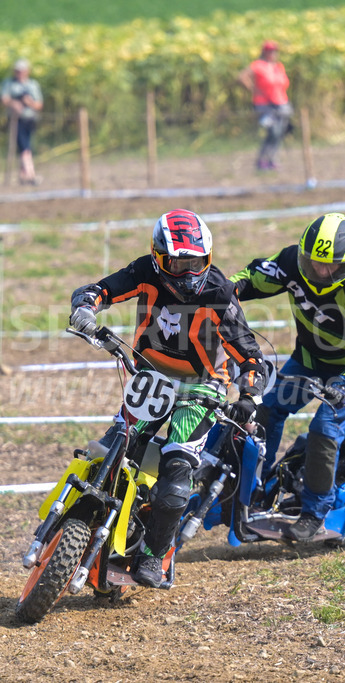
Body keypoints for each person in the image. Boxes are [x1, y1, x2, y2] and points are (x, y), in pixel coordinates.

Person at [69, 209, 266, 586]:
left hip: (202, 386)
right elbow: (100, 290)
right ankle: (78, 520)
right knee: (112, 448)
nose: (189, 272)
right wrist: (85, 307)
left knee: (176, 476)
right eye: (178, 262)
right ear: (159, 258)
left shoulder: (220, 293)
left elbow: (250, 355)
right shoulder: (144, 271)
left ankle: (154, 557)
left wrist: (249, 395)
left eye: (197, 262)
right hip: (151, 375)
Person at [230, 213, 345, 542]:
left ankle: (315, 512)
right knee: (268, 408)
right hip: (307, 358)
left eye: (332, 265)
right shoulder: (291, 263)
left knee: (324, 426)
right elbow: (249, 278)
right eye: (314, 262)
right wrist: (220, 293)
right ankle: (258, 489)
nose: (321, 271)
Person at [238, 40, 292, 171]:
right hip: (264, 105)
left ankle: (272, 160)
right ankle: (262, 160)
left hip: (281, 103)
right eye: (270, 51)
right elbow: (241, 77)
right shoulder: (258, 65)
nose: (273, 53)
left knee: (279, 133)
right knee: (272, 132)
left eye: (274, 51)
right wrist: (253, 89)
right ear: (264, 52)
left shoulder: (278, 66)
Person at [0, 59, 43, 184]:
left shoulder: (33, 85)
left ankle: (23, 176)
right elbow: (4, 98)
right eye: (17, 71)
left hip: (30, 119)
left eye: (22, 71)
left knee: (27, 146)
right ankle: (30, 174)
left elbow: (39, 104)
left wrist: (30, 102)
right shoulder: (9, 84)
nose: (20, 73)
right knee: (24, 147)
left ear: (27, 71)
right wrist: (14, 103)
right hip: (16, 120)